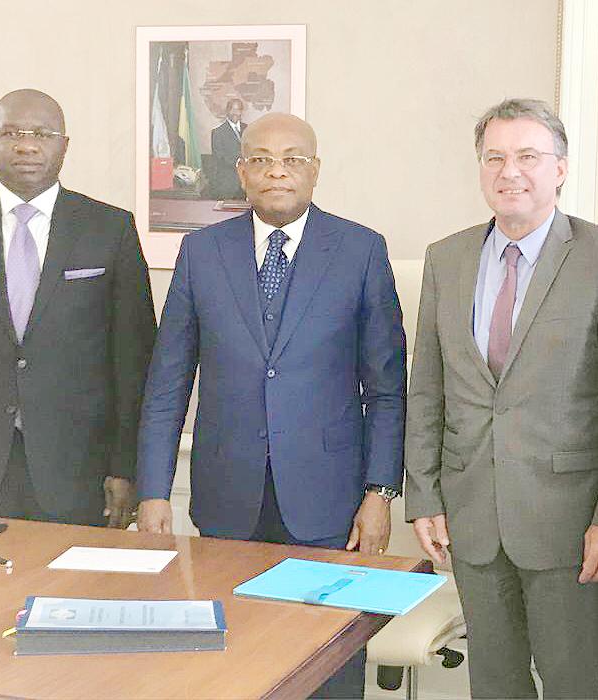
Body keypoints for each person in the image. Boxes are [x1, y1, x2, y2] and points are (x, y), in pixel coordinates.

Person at [137, 112, 406, 698]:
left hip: (330, 501)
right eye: (260, 159)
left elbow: (386, 388)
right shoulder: (202, 252)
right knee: (232, 663)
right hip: (227, 498)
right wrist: (154, 490)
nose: (276, 171)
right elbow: (168, 382)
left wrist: (380, 492)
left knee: (328, 665)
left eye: (292, 159)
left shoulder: (360, 250)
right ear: (241, 172)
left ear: (315, 170)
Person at [405, 98, 598, 698]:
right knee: (494, 684)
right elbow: (428, 387)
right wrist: (424, 494)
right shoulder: (446, 258)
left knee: (570, 684)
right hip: (472, 518)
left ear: (560, 168)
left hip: (571, 525)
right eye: (495, 158)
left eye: (528, 156)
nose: (509, 171)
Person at [0, 89, 156, 527]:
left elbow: (133, 361)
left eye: (42, 134)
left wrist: (126, 467)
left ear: (64, 145)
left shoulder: (109, 228)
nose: (26, 146)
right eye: (11, 133)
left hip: (79, 465)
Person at [209, 97, 247, 199]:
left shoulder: (248, 130)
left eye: (238, 109)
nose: (235, 113)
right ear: (227, 111)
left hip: (246, 183)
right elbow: (219, 156)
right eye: (232, 109)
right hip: (227, 184)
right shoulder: (218, 132)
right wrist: (238, 162)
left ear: (241, 112)